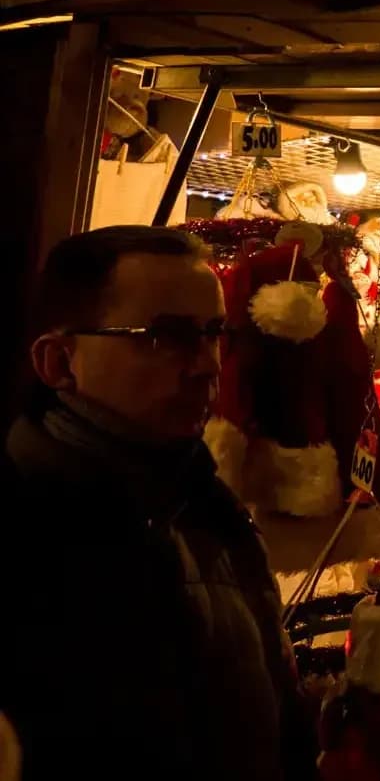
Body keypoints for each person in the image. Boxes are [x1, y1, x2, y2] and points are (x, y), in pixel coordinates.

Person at [0, 226, 317, 779]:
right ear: (58, 362)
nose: (207, 365)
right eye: (164, 336)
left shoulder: (210, 508)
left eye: (214, 333)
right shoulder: (22, 525)